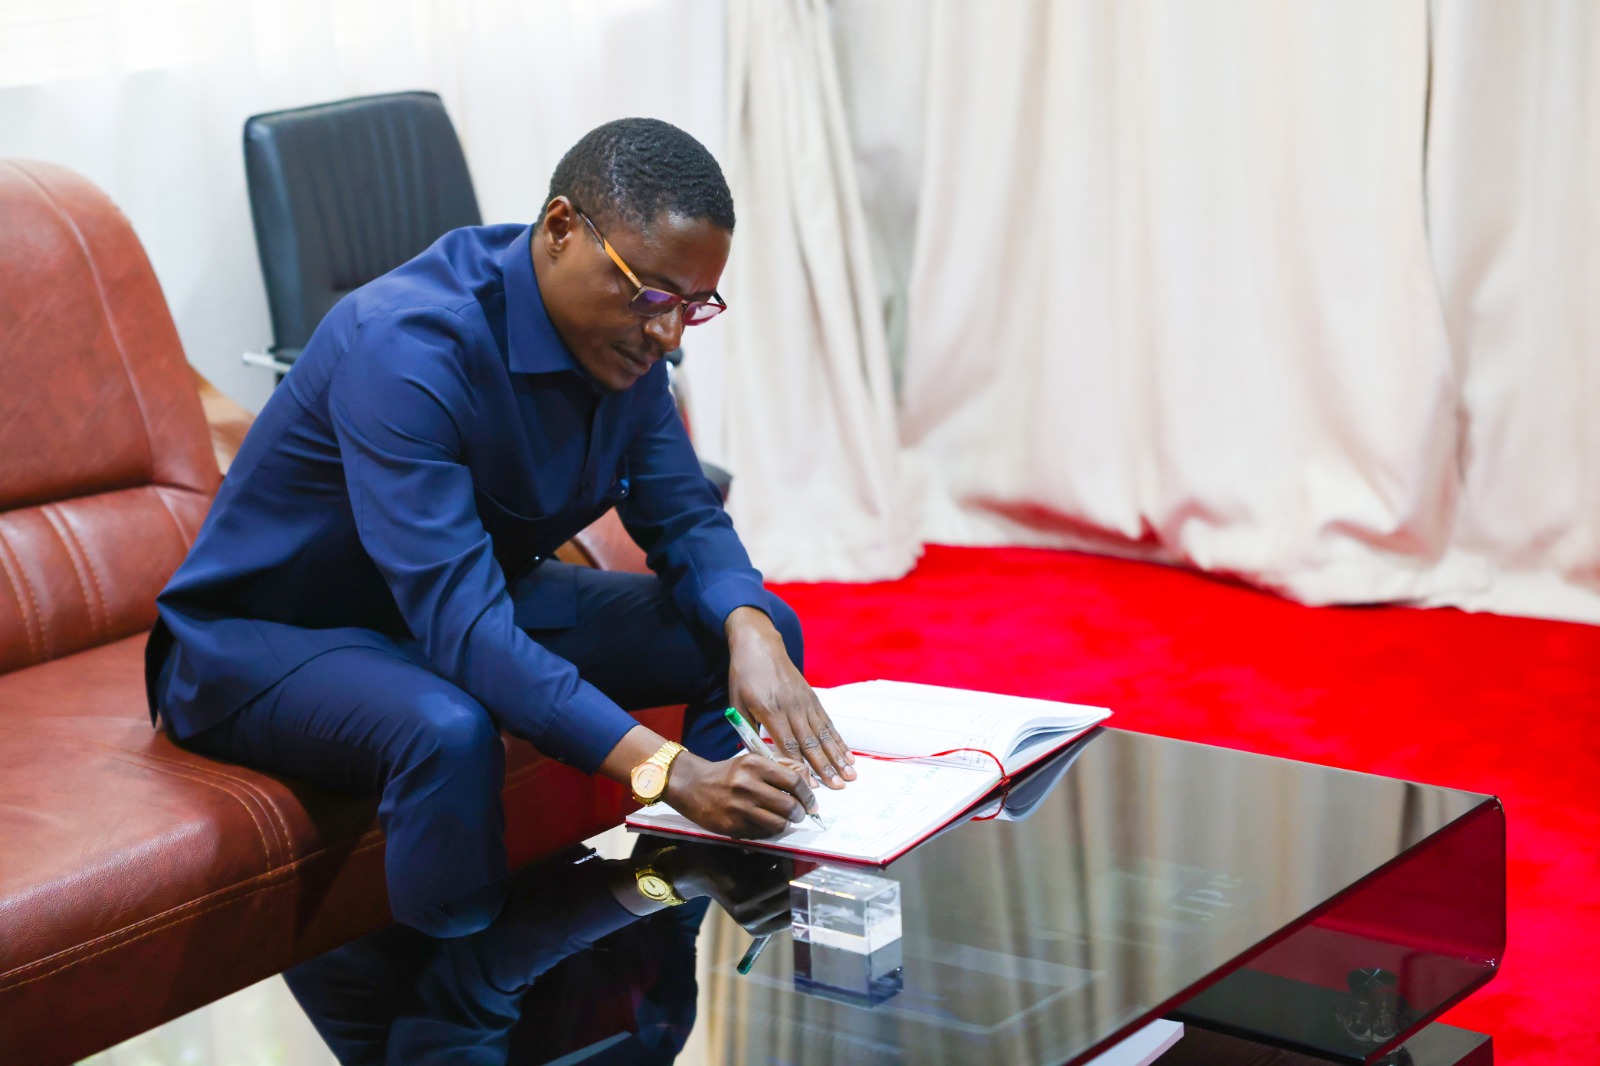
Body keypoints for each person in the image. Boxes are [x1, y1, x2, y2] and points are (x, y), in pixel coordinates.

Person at [145, 117, 855, 938]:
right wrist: (669, 769)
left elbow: (687, 515)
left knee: (745, 631)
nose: (667, 333)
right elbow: (465, 627)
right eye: (653, 295)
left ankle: (680, 917)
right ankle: (456, 990)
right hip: (268, 640)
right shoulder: (406, 346)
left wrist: (750, 625)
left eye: (695, 308)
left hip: (447, 609)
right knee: (446, 731)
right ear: (560, 229)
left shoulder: (626, 347)